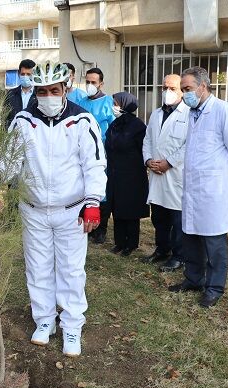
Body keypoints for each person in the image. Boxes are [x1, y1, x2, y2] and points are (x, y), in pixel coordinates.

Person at [5, 61, 107, 357]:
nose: (47, 96)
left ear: (65, 89)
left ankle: (72, 326)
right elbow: (9, 161)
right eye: (41, 91)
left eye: (53, 90)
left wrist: (93, 202)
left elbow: (94, 164)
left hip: (70, 210)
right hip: (33, 208)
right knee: (37, 267)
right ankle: (44, 320)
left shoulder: (82, 120)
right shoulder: (24, 120)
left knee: (71, 270)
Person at [168, 67, 228, 308]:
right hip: (193, 188)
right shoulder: (193, 113)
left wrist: (223, 179)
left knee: (214, 243)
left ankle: (214, 288)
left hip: (214, 191)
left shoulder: (224, 111)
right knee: (191, 237)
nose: (184, 94)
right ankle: (193, 279)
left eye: (188, 89)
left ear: (203, 87)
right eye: (183, 90)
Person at [142, 74, 189, 272]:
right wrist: (148, 160)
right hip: (156, 174)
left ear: (181, 91)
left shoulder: (189, 114)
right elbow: (147, 140)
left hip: (176, 174)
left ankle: (179, 256)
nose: (167, 92)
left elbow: (189, 145)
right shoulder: (156, 114)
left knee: (177, 219)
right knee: (158, 217)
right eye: (164, 87)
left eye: (172, 88)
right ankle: (162, 249)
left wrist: (169, 163)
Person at [105, 92, 149, 257]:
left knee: (130, 210)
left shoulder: (137, 126)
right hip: (115, 173)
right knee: (117, 208)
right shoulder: (115, 124)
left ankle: (131, 243)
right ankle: (119, 242)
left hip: (132, 174)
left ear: (124, 104)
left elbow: (142, 149)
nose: (114, 106)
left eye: (116, 103)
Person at [76, 67, 115, 244]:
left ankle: (101, 228)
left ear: (101, 83)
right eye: (88, 82)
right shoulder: (81, 102)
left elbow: (114, 128)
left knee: (101, 189)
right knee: (84, 186)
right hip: (82, 152)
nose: (90, 85)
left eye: (93, 82)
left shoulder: (108, 102)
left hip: (102, 152)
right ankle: (86, 224)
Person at [4, 59, 36, 127]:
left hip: (33, 135)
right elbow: (5, 117)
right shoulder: (11, 94)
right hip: (14, 135)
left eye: (28, 74)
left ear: (34, 75)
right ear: (19, 74)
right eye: (23, 74)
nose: (25, 77)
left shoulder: (39, 95)